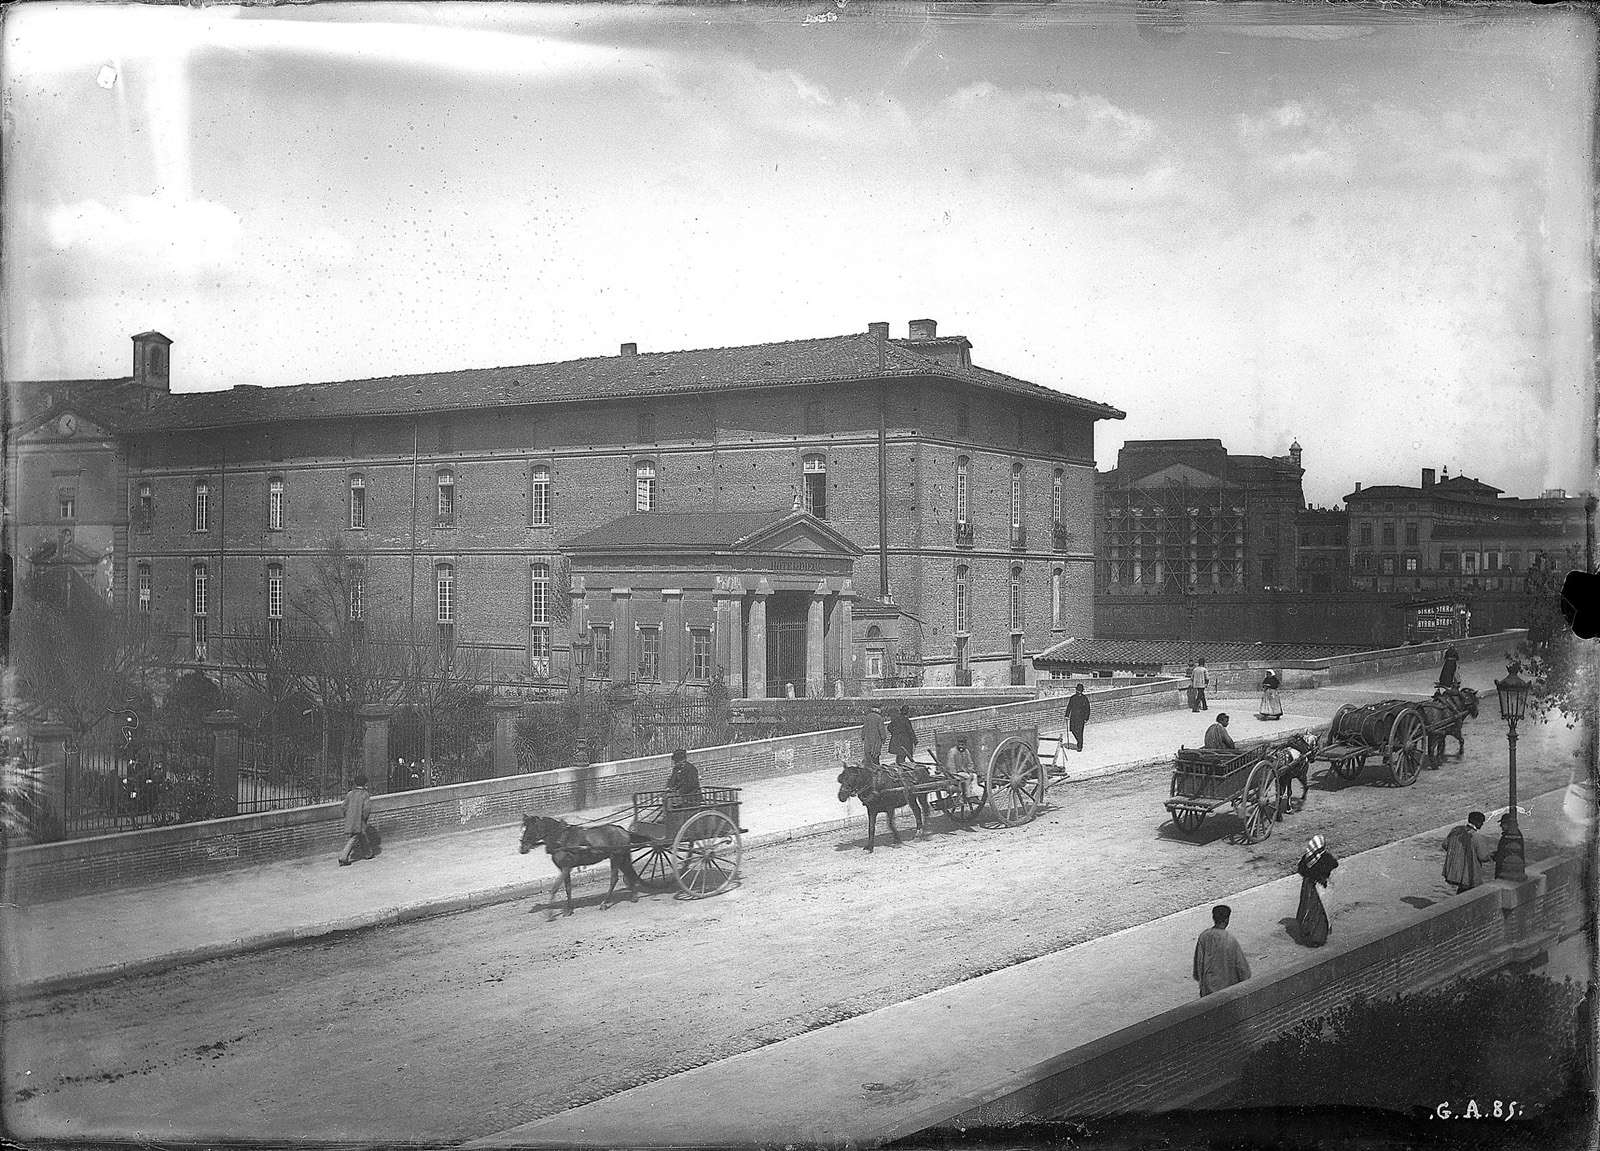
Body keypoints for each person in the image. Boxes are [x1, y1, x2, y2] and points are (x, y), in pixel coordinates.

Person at [1193, 904, 1252, 997]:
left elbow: (1198, 966)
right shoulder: (1230, 940)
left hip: (1208, 990)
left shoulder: (1204, 936)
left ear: (1213, 918)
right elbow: (1243, 969)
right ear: (1227, 919)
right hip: (1227, 990)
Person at [1295, 834, 1339, 947]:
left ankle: (1308, 933)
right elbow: (1335, 864)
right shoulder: (1325, 858)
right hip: (1320, 889)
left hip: (1308, 888)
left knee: (1308, 909)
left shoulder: (1306, 859)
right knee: (1321, 912)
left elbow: (1301, 870)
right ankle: (1318, 937)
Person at [1442, 810, 1494, 893]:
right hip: (1470, 873)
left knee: (1462, 892)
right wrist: (1492, 856)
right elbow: (1483, 857)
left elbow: (1445, 845)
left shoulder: (1455, 830)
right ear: (1477, 822)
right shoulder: (1476, 837)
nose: (1482, 825)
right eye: (1481, 822)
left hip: (1456, 871)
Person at [337, 775, 374, 866]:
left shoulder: (350, 793)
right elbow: (366, 809)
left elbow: (343, 807)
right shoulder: (365, 794)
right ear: (365, 784)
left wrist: (348, 816)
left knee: (362, 835)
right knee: (354, 837)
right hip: (359, 820)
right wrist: (364, 818)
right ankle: (343, 857)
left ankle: (368, 853)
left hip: (351, 819)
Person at [1065, 684, 1091, 752]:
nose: (1078, 692)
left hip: (1081, 718)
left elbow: (1087, 709)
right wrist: (1067, 715)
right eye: (1077, 690)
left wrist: (1086, 718)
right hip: (1073, 717)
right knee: (1073, 730)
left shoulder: (1084, 698)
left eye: (1079, 691)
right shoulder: (1073, 698)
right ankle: (1079, 741)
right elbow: (1069, 706)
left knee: (1080, 732)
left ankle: (1080, 745)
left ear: (1081, 691)